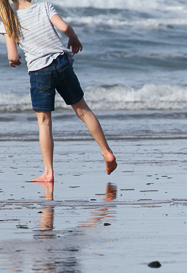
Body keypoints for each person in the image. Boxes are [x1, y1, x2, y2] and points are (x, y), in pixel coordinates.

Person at [0, 0, 116, 182]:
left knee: (44, 121)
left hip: (39, 71)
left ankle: (48, 172)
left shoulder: (8, 19)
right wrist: (74, 38)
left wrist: (14, 61)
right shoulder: (44, 6)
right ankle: (106, 151)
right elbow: (64, 27)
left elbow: (13, 55)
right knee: (83, 110)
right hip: (61, 63)